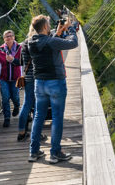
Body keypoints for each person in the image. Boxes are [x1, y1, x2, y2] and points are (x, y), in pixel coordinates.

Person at [25, 14, 78, 164]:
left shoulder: (31, 42)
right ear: (45, 27)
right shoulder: (51, 41)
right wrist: (72, 29)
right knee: (57, 118)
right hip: (55, 83)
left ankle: (34, 151)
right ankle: (55, 153)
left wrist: (59, 31)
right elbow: (73, 43)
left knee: (38, 116)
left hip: (39, 83)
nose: (49, 25)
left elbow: (47, 43)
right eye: (48, 23)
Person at [16, 25, 47, 142]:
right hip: (38, 77)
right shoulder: (37, 42)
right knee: (39, 106)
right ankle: (36, 134)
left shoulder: (23, 44)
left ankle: (21, 132)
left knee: (26, 104)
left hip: (28, 77)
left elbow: (21, 62)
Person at [0, 30, 22, 127]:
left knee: (15, 96)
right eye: (6, 36)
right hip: (4, 79)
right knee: (5, 97)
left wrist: (13, 60)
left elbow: (22, 62)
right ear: (4, 39)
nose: (9, 38)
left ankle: (17, 106)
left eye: (10, 36)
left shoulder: (19, 48)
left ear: (14, 37)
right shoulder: (0, 50)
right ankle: (7, 118)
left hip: (15, 78)